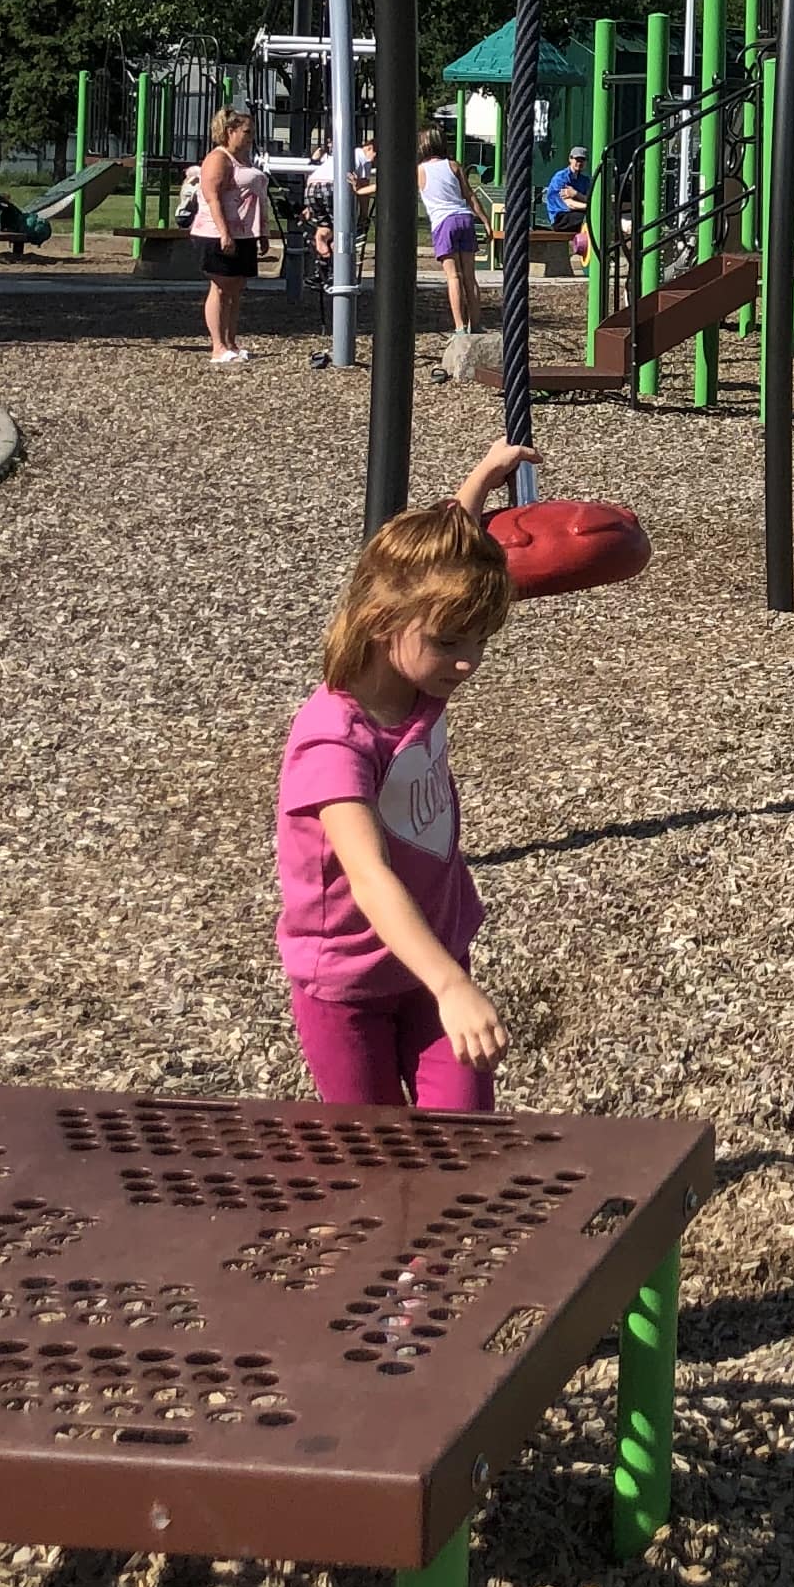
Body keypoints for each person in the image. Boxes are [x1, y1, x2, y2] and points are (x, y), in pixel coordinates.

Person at [278, 437, 538, 1109]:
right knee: (375, 1155)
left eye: (481, 639)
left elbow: (437, 555)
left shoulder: (421, 678)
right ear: (382, 622)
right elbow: (367, 874)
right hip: (349, 978)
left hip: (432, 953)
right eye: (451, 641)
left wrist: (483, 476)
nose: (469, 661)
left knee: (462, 1133)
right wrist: (451, 986)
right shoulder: (334, 739)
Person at [195, 105, 267, 366]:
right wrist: (225, 234)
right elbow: (212, 197)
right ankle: (218, 346)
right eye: (246, 132)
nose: (250, 138)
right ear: (230, 131)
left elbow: (257, 198)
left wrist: (262, 233)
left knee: (236, 289)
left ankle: (231, 342)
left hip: (244, 233)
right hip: (216, 233)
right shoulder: (218, 158)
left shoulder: (245, 160)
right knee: (221, 287)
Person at [419, 123, 487, 348]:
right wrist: (485, 221)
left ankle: (459, 327)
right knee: (470, 276)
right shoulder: (454, 165)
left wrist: (360, 190)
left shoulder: (420, 170)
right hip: (464, 219)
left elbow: (391, 186)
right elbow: (470, 196)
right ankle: (476, 325)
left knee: (453, 277)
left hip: (443, 223)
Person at [546, 143, 595, 275]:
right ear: (570, 159)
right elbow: (570, 204)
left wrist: (576, 194)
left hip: (577, 214)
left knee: (592, 221)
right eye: (577, 159)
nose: (579, 162)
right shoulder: (561, 178)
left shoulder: (584, 180)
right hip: (560, 218)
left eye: (582, 160)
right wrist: (590, 207)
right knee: (589, 219)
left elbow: (590, 199)